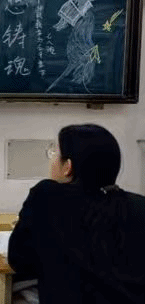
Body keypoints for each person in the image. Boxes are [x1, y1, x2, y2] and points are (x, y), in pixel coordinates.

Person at [8, 124, 145, 304]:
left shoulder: (47, 196)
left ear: (68, 167)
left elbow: (19, 260)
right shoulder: (139, 205)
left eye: (55, 154)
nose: (52, 160)